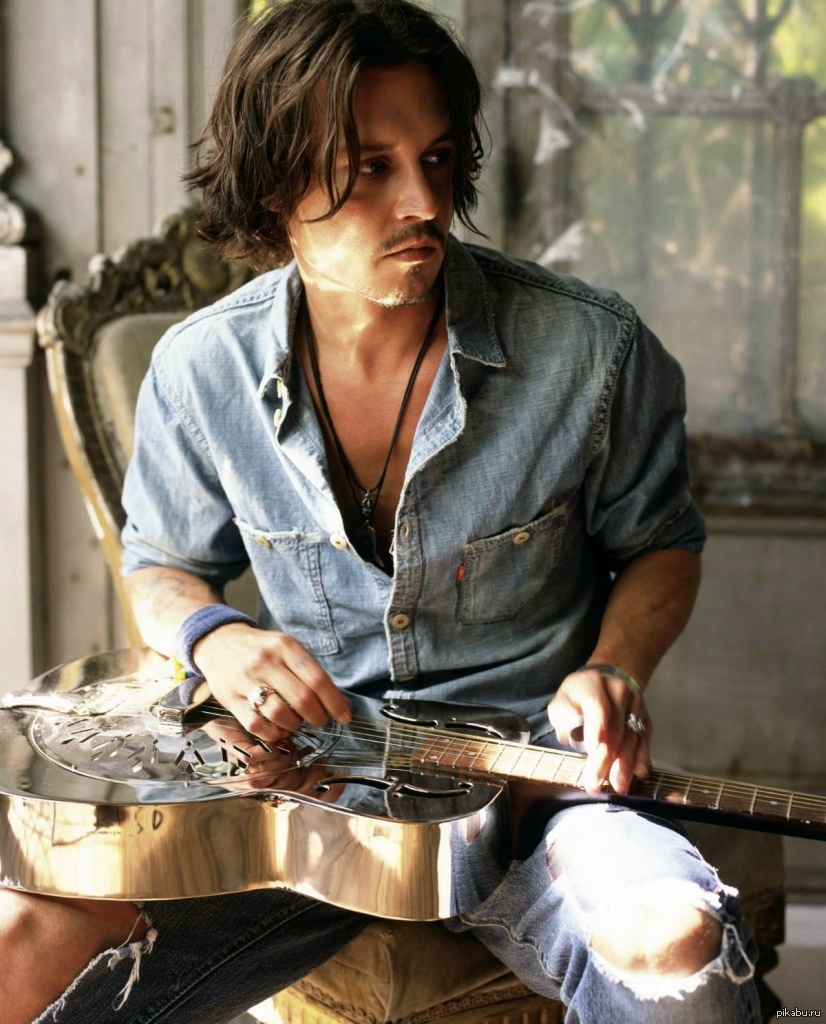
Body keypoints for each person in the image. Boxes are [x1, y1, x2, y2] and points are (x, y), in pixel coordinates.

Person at [0, 1, 762, 1021]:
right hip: (300, 800)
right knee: (19, 940)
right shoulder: (200, 369)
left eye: (438, 159)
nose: (424, 202)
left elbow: (662, 544)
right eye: (370, 167)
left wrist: (614, 668)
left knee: (673, 950)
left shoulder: (592, 350)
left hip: (534, 795)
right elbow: (160, 565)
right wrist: (215, 635)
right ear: (274, 180)